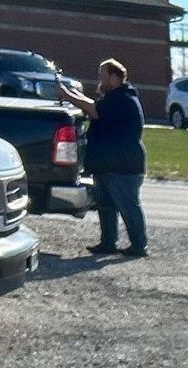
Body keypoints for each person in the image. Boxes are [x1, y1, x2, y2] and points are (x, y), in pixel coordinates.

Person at [62, 59, 148, 257]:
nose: (99, 80)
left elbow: (93, 110)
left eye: (102, 75)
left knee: (128, 206)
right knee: (106, 207)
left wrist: (67, 95)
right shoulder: (115, 97)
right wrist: (72, 94)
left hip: (124, 166)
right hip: (108, 164)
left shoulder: (123, 99)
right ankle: (108, 243)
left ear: (114, 77)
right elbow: (94, 105)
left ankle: (139, 246)